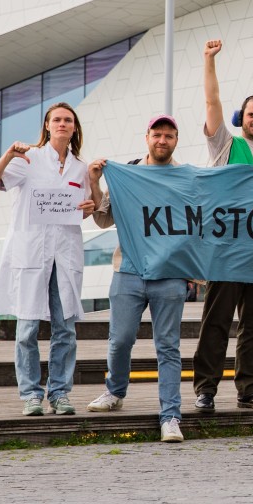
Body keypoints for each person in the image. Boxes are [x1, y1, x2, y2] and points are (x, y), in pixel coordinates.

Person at [0, 102, 95, 417]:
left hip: (65, 257)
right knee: (27, 328)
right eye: (56, 119)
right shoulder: (28, 160)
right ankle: (31, 395)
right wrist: (8, 155)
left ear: (74, 128)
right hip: (31, 253)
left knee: (65, 329)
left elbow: (88, 209)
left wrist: (86, 206)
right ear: (47, 126)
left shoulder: (80, 168)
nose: (61, 124)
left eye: (67, 120)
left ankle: (59, 393)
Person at [192, 39, 253, 414]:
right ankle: (206, 390)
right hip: (227, 249)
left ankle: (250, 389)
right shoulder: (225, 146)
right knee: (216, 322)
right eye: (252, 115)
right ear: (240, 117)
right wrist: (209, 60)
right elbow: (211, 102)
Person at [82, 115, 188, 441]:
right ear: (147, 137)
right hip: (127, 270)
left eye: (168, 136)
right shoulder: (127, 173)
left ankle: (170, 416)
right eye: (157, 134)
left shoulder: (186, 178)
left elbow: (200, 223)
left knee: (168, 347)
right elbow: (103, 220)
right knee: (121, 339)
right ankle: (115, 392)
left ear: (175, 140)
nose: (162, 140)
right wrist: (95, 180)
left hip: (169, 274)